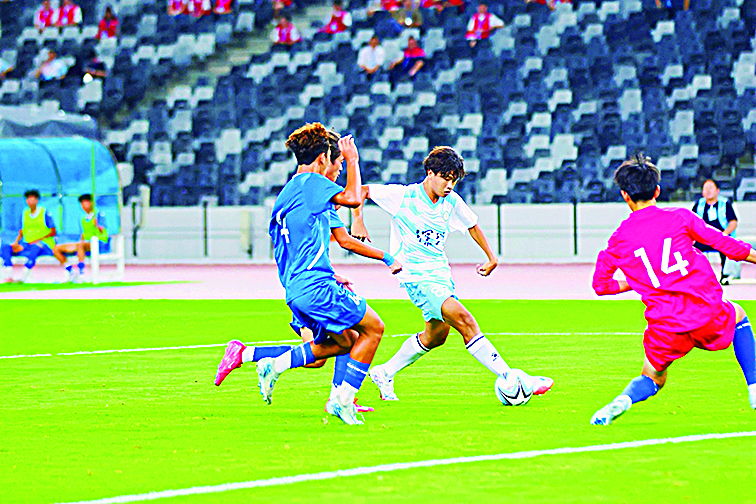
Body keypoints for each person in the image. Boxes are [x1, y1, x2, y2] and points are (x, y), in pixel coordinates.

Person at [215, 130, 402, 415]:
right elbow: (353, 198)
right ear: (324, 158)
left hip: (299, 286)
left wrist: (378, 259)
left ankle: (332, 395)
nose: (339, 170)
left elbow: (341, 240)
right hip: (312, 285)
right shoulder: (311, 184)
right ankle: (336, 398)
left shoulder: (297, 194)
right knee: (372, 328)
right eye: (338, 163)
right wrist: (354, 160)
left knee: (342, 343)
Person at [350, 146, 554, 401]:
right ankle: (511, 377)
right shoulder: (403, 196)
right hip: (416, 276)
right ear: (430, 173)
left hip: (440, 274)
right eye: (445, 178)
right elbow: (361, 190)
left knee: (436, 336)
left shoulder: (452, 201)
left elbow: (472, 225)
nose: (449, 185)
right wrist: (357, 219)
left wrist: (491, 256)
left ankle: (385, 372)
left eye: (454, 180)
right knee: (465, 320)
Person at [590, 155, 756, 425]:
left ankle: (623, 400)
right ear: (657, 190)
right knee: (737, 315)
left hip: (665, 324)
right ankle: (754, 387)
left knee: (652, 377)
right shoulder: (680, 217)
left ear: (624, 195)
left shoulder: (618, 239)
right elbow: (725, 244)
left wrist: (641, 279)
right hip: (703, 309)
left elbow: (601, 286)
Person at [1, 190, 58, 284]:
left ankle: (24, 275)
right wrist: (16, 242)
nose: (30, 201)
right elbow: (22, 231)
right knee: (5, 247)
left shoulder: (44, 212)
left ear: (37, 200)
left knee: (36, 247)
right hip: (27, 243)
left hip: (44, 243)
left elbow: (53, 231)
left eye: (32, 199)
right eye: (28, 199)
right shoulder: (25, 213)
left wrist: (38, 240)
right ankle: (8, 273)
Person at [52, 194, 109, 282]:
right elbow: (83, 234)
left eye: (86, 203)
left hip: (99, 243)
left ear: (92, 203)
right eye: (82, 203)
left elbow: (103, 230)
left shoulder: (98, 214)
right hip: (84, 243)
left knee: (80, 246)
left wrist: (97, 225)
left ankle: (81, 273)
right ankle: (70, 271)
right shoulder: (83, 218)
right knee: (56, 249)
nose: (84, 205)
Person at [692, 179, 738, 282]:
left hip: (720, 237)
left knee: (727, 246)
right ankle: (698, 275)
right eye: (705, 189)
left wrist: (724, 235)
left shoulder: (725, 204)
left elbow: (733, 222)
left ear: (717, 190)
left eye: (711, 188)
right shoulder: (698, 205)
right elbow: (692, 222)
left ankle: (725, 275)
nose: (708, 191)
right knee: (691, 248)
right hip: (703, 238)